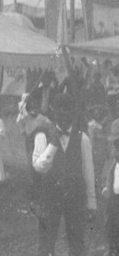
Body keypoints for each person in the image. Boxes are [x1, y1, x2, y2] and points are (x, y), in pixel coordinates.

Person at [33, 93, 97, 256]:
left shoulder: (82, 139)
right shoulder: (42, 135)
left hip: (75, 194)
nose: (63, 118)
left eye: (67, 114)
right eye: (59, 114)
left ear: (73, 114)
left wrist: (91, 203)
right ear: (53, 114)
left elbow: (88, 173)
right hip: (50, 194)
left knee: (76, 242)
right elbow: (39, 167)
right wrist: (53, 145)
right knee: (46, 241)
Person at [102, 119, 119, 256]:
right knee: (112, 227)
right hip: (114, 201)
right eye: (115, 143)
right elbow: (109, 174)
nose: (116, 146)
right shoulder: (114, 161)